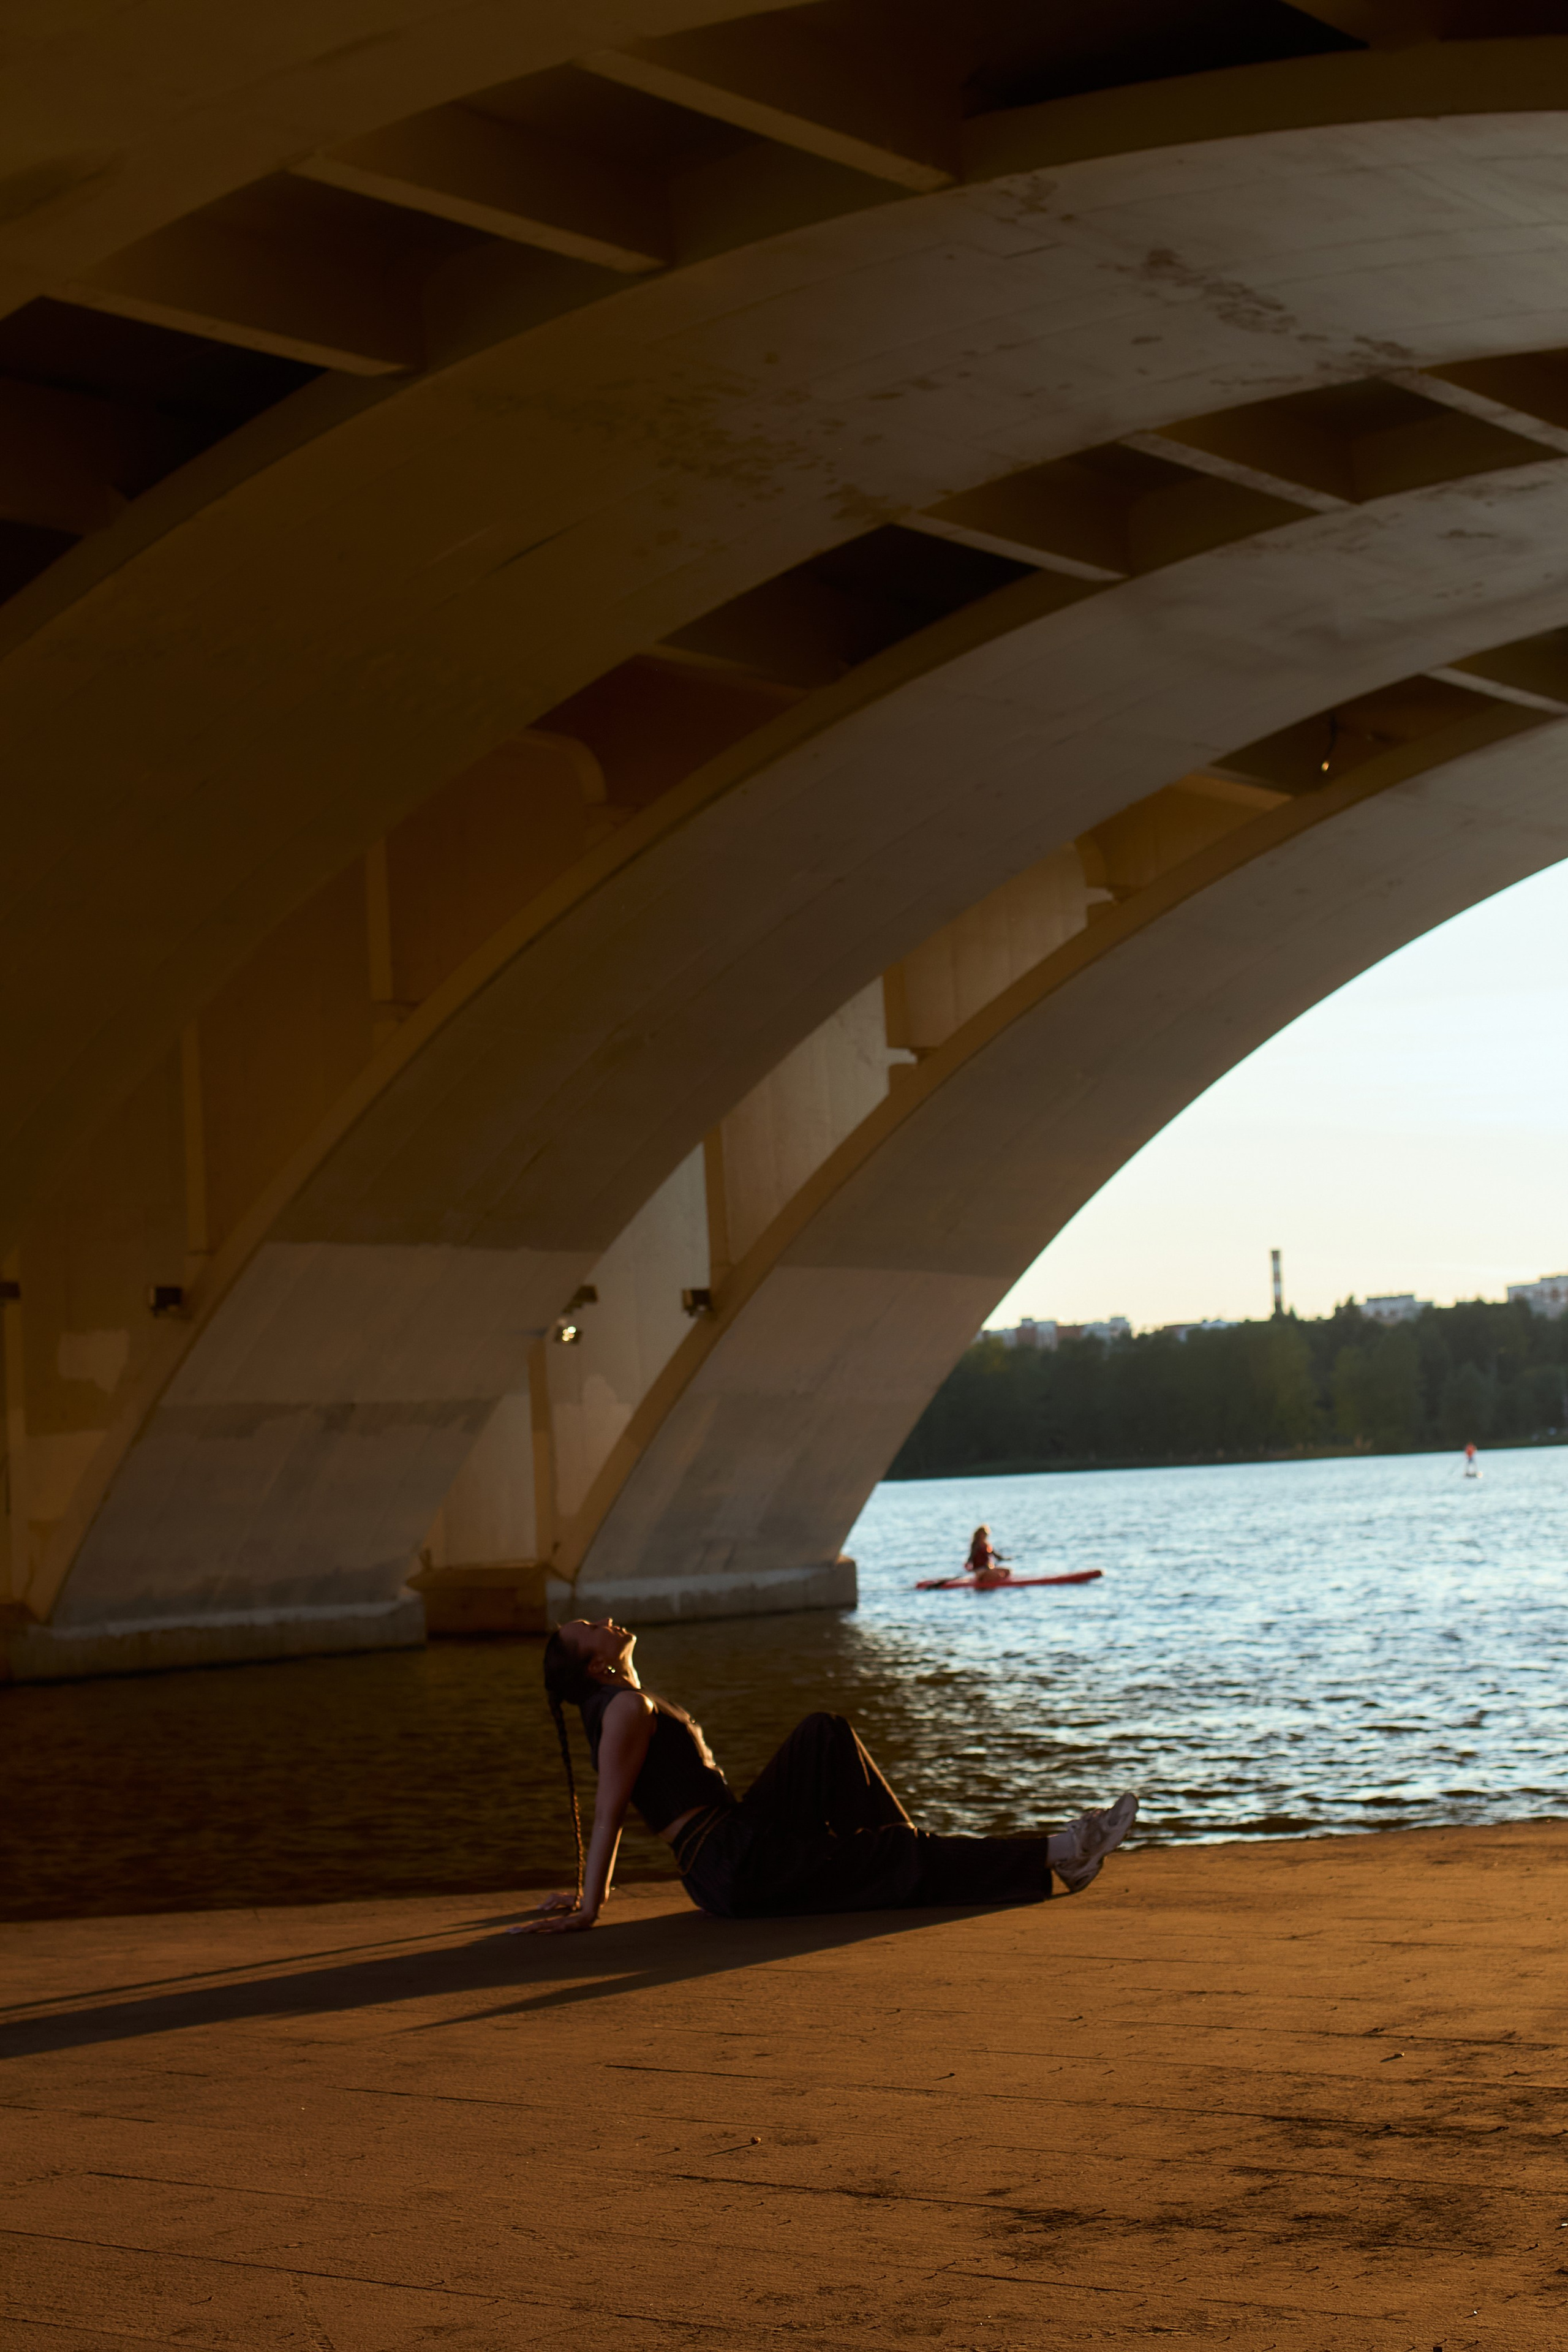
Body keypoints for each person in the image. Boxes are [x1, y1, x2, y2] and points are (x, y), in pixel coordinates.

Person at [515, 1615, 1138, 1936]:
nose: (602, 1620)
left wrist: (582, 1889)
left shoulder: (625, 1701)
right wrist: (588, 1904)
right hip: (731, 1864)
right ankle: (1061, 1852)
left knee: (822, 1734)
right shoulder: (624, 1707)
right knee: (893, 1851)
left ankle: (912, 1860)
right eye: (589, 1629)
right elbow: (610, 1810)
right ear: (597, 1666)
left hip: (735, 1843)